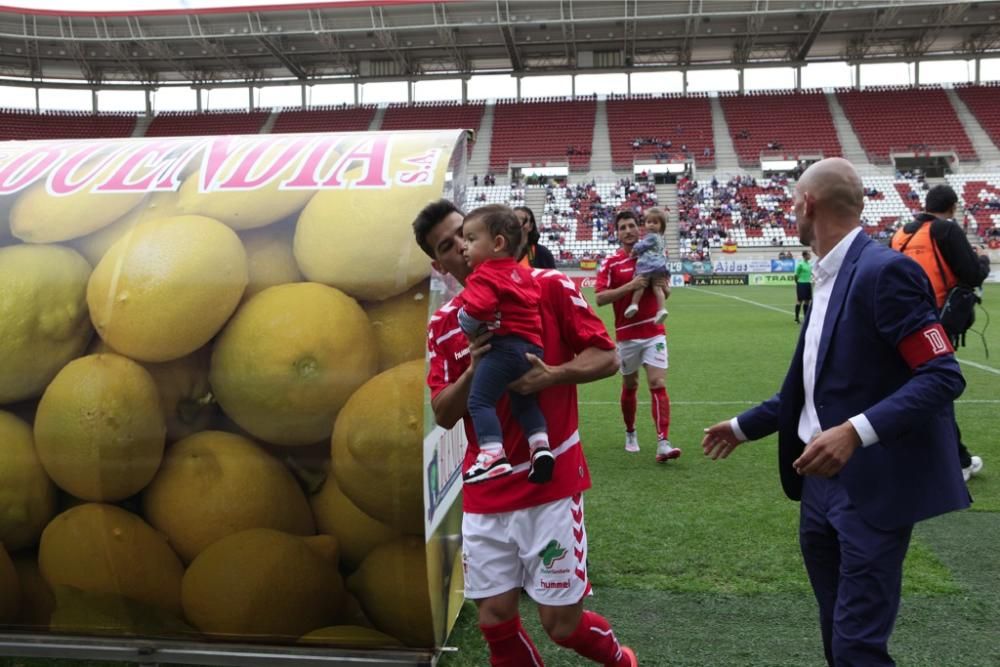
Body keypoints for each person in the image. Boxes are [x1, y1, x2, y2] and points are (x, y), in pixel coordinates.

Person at [702, 158, 970, 667]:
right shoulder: (828, 274)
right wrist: (741, 428)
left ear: (808, 204)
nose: (790, 211)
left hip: (870, 485)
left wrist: (856, 432)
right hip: (818, 486)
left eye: (792, 202)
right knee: (834, 631)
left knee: (856, 645)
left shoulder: (884, 270)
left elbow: (942, 375)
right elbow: (814, 391)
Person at [413, 200, 639, 667]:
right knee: (495, 623)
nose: (460, 246)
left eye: (463, 233)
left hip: (548, 487)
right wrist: (474, 371)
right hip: (484, 496)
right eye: (446, 246)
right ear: (440, 264)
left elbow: (607, 356)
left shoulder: (548, 286)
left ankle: (622, 661)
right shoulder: (444, 325)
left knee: (562, 626)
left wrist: (551, 376)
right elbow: (443, 412)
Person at [890, 184, 990, 483]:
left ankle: (921, 454)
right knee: (938, 386)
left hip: (898, 320)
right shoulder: (946, 230)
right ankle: (954, 461)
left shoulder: (901, 233)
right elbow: (972, 274)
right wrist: (982, 260)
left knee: (911, 387)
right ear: (953, 207)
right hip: (935, 321)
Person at [457, 205, 554, 485]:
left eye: (471, 239)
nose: (464, 246)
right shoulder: (523, 274)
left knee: (480, 400)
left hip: (503, 348)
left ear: (497, 244)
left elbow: (481, 306)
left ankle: (492, 454)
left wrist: (464, 320)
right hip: (532, 349)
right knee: (523, 402)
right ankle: (540, 447)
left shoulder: (485, 274)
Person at [596, 210, 681, 463]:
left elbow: (666, 290)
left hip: (653, 331)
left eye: (632, 225)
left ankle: (663, 443)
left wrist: (665, 289)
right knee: (630, 385)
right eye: (623, 227)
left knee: (657, 383)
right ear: (617, 233)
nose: (629, 230)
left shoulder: (653, 254)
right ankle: (630, 431)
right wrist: (630, 287)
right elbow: (600, 298)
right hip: (626, 335)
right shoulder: (611, 262)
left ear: (639, 228)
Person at [623, 207, 670, 324]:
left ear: (661, 225)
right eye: (649, 222)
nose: (651, 225)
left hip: (648, 266)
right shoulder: (661, 238)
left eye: (655, 222)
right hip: (659, 266)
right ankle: (661, 309)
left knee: (640, 285)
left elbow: (642, 246)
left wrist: (634, 251)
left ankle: (634, 304)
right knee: (657, 288)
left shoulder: (651, 236)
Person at [794, 250, 813, 324]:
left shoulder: (809, 264)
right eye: (809, 255)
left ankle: (806, 318)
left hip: (808, 284)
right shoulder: (800, 264)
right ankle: (796, 318)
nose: (810, 256)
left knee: (807, 301)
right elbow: (796, 275)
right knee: (800, 301)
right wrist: (798, 283)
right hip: (801, 284)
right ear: (805, 256)